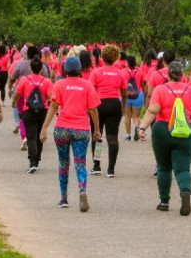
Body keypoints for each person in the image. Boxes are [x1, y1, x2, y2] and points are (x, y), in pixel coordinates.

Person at [135, 61, 191, 215]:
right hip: (185, 132)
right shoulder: (190, 90)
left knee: (163, 166)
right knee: (183, 168)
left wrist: (142, 127)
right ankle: (185, 192)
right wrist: (185, 123)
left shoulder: (160, 89)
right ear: (183, 75)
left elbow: (152, 110)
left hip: (162, 130)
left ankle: (164, 202)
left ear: (168, 74)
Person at [39, 55, 101, 212]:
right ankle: (82, 190)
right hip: (81, 129)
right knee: (80, 163)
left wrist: (44, 127)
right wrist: (97, 129)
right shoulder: (87, 86)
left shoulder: (59, 84)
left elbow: (53, 107)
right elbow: (93, 109)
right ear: (80, 69)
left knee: (63, 163)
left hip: (62, 129)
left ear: (65, 69)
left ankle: (63, 198)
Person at [90, 45, 129, 177]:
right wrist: (123, 107)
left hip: (99, 104)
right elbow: (124, 94)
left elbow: (91, 91)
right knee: (112, 137)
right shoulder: (120, 73)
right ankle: (111, 169)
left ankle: (97, 165)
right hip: (114, 104)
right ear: (116, 57)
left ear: (102, 56)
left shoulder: (96, 72)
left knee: (97, 135)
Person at [12, 54, 53, 173]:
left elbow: (18, 94)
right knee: (39, 136)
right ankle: (37, 160)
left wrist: (14, 103)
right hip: (42, 111)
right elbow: (51, 97)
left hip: (28, 111)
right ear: (41, 69)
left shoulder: (25, 80)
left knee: (31, 137)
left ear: (30, 68)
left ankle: (32, 162)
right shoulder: (47, 81)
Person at [123, 54, 144, 141]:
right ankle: (137, 127)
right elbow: (143, 83)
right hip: (138, 94)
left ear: (127, 62)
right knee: (136, 116)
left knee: (127, 115)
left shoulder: (123, 71)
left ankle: (128, 135)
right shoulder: (140, 70)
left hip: (126, 95)